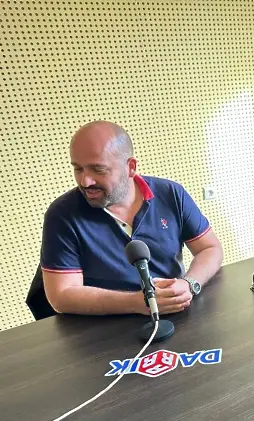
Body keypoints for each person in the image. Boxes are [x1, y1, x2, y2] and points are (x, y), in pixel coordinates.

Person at [40, 120, 224, 317]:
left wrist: (189, 284)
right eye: (78, 169)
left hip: (176, 312)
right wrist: (137, 302)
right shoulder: (62, 214)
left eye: (98, 169)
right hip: (104, 326)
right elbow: (62, 295)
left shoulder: (171, 193)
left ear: (131, 167)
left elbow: (210, 248)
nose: (85, 181)